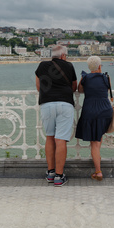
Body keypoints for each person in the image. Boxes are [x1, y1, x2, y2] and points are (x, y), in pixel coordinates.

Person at [35, 45, 77, 186]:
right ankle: (59, 176)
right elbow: (74, 87)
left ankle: (51, 173)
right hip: (65, 104)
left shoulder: (41, 66)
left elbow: (39, 87)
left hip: (47, 104)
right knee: (60, 140)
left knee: (50, 137)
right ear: (63, 55)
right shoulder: (69, 66)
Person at [75, 56, 113, 181]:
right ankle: (98, 161)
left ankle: (98, 171)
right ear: (100, 66)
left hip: (91, 111)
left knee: (95, 144)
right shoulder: (106, 77)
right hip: (105, 111)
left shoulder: (85, 78)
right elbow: (106, 90)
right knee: (98, 139)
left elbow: (80, 90)